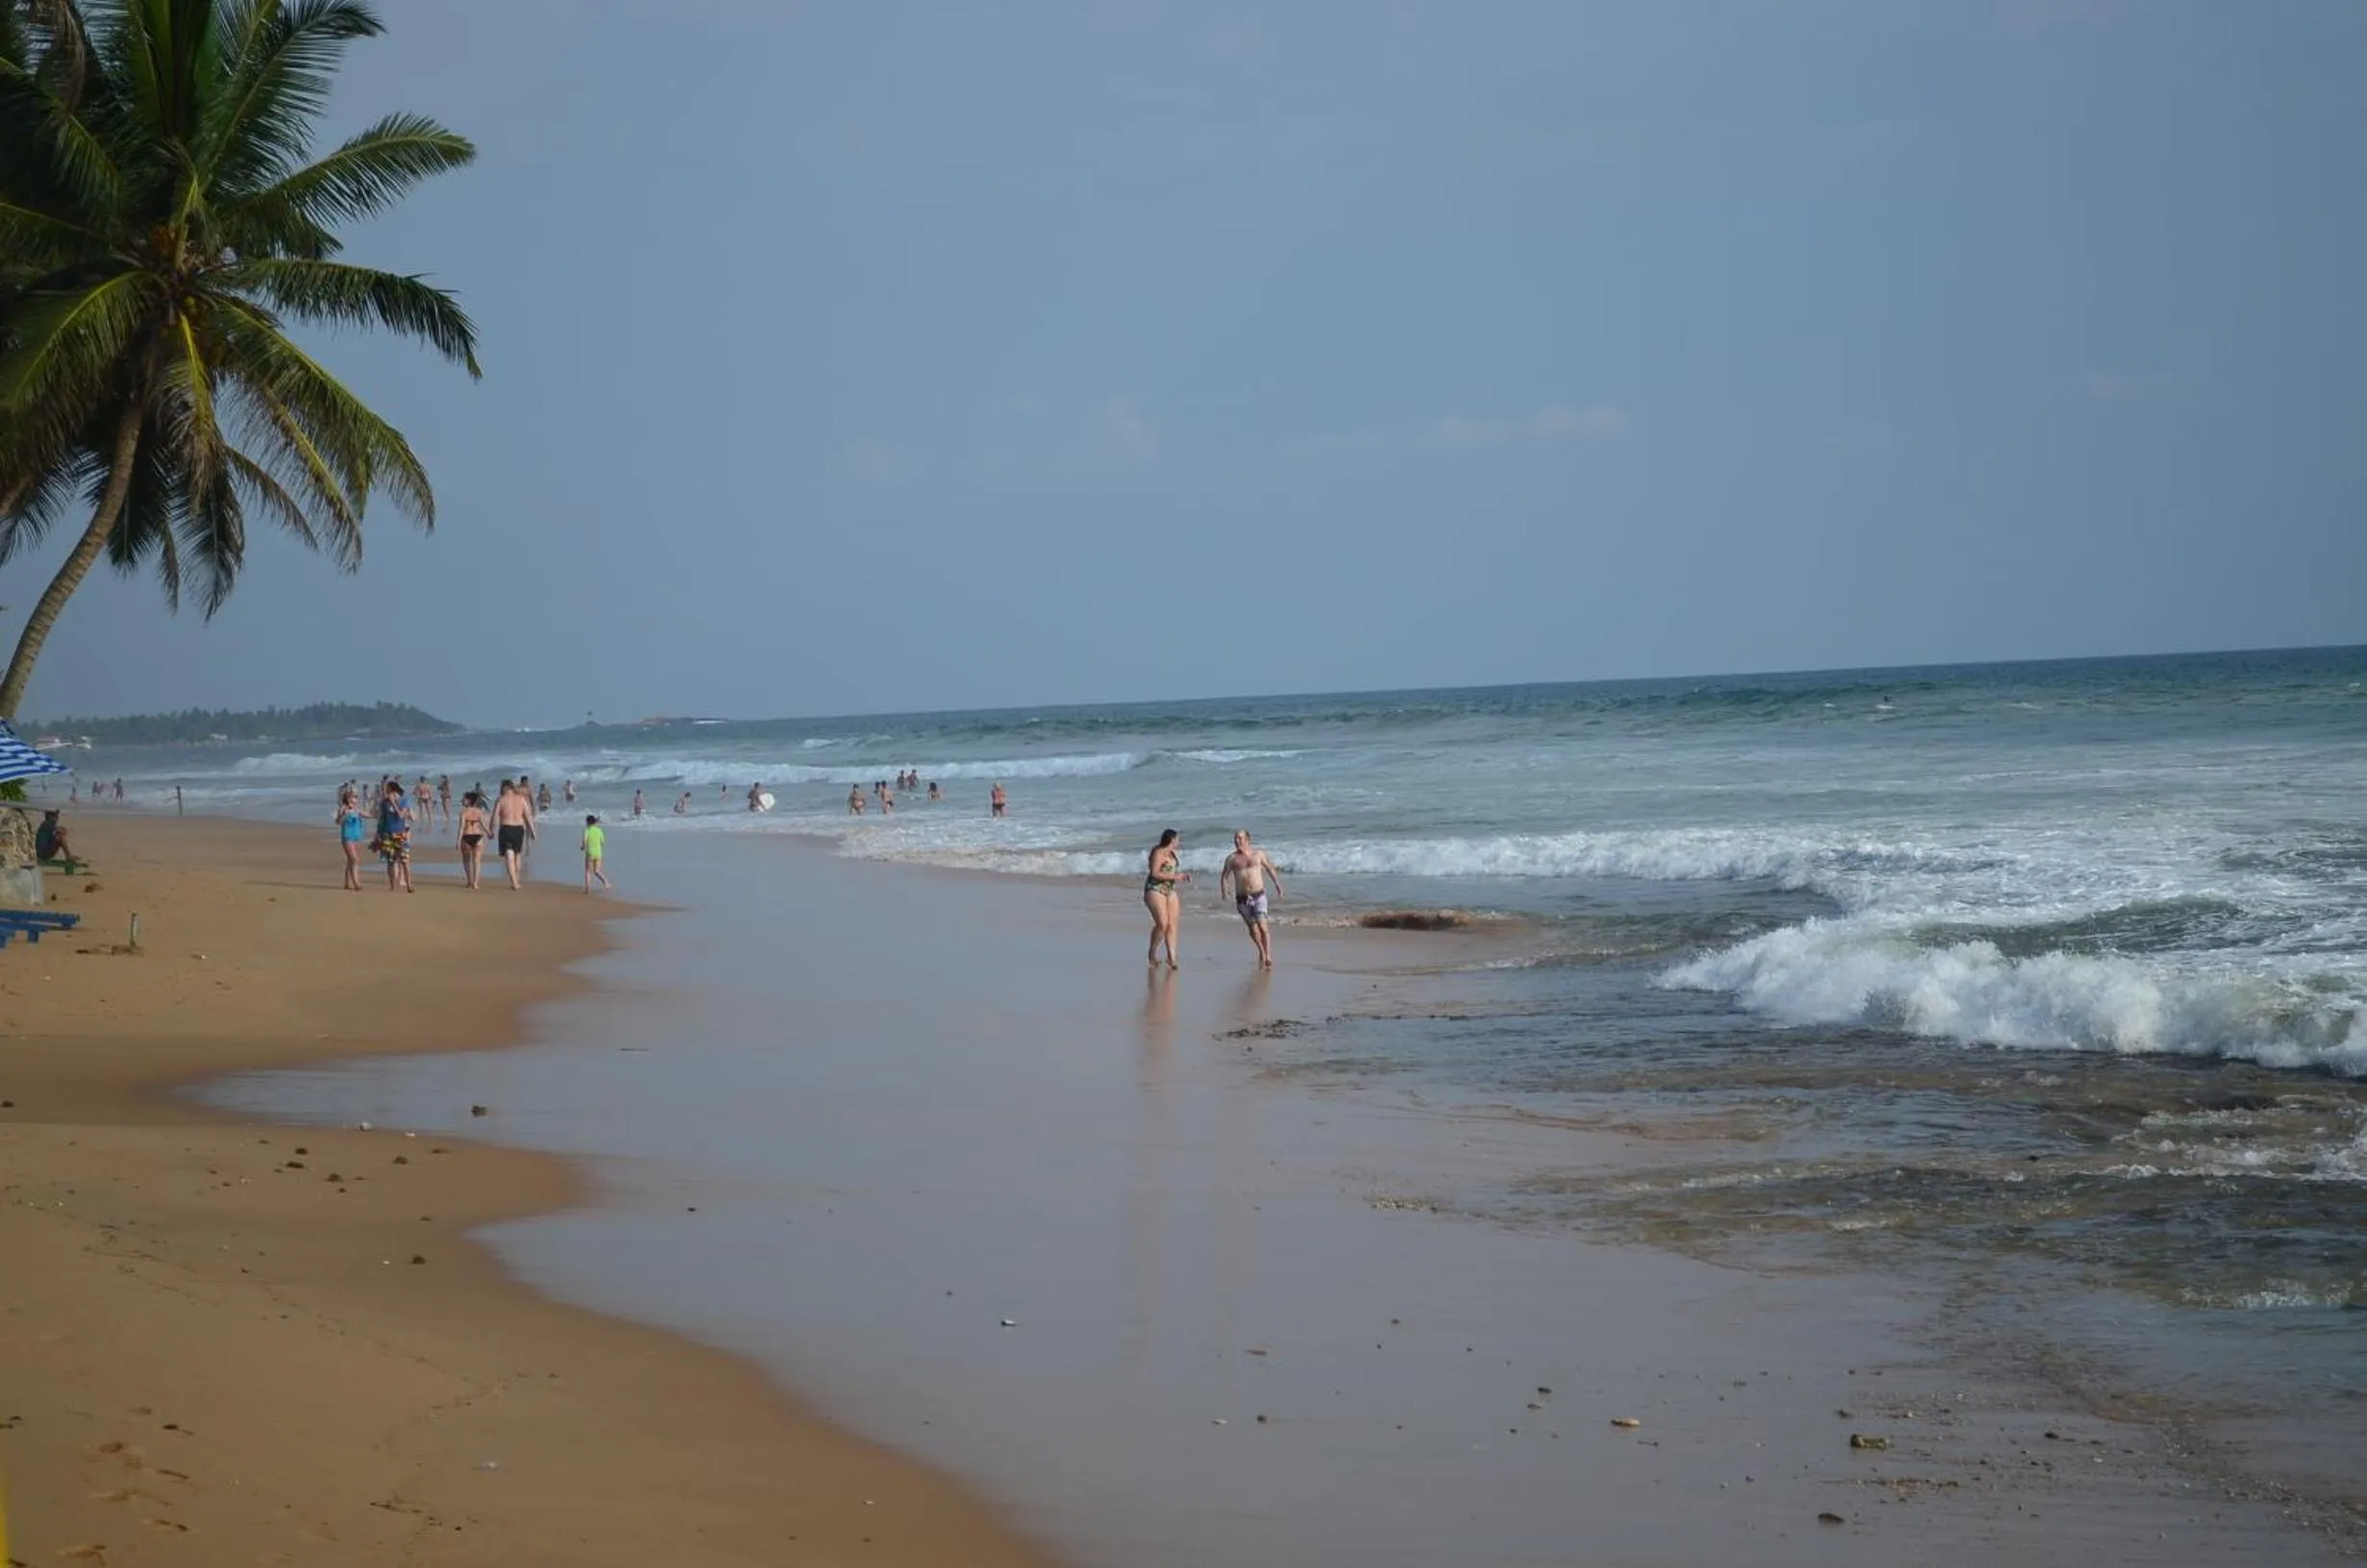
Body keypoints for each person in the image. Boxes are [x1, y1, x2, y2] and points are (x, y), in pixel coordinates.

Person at [1219, 830, 1284, 968]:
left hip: (1259, 895)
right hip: (1242, 899)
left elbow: (1269, 868)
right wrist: (1224, 889)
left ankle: (1268, 955)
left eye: (1240, 838)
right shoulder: (1232, 858)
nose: (1237, 841)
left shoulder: (1258, 854)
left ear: (1248, 839)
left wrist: (1277, 884)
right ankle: (1260, 950)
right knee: (1253, 930)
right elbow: (1224, 876)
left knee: (1263, 926)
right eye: (1235, 838)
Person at [1142, 828, 1189, 968]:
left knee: (1172, 924)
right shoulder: (1158, 852)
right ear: (1172, 840)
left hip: (1170, 889)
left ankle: (1172, 958)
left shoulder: (1172, 854)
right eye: (1177, 839)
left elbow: (1169, 870)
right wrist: (1176, 877)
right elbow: (1155, 873)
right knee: (1162, 923)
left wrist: (1182, 876)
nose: (1179, 842)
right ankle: (1152, 953)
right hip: (1155, 889)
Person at [494, 778, 536, 890]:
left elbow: (494, 817)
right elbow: (528, 816)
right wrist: (533, 831)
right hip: (519, 829)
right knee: (517, 854)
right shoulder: (522, 799)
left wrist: (491, 830)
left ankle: (514, 882)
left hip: (506, 828)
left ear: (503, 788)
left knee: (509, 855)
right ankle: (516, 879)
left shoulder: (501, 800)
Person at [375, 778, 414, 894]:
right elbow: (382, 819)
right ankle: (392, 886)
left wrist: (393, 803)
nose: (386, 793)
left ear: (393, 790)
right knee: (390, 861)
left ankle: (409, 885)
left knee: (405, 860)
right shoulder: (384, 803)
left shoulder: (404, 801)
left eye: (388, 790)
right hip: (387, 834)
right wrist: (377, 833)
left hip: (400, 834)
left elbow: (401, 816)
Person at [456, 789, 491, 890]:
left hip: (466, 836)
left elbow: (461, 828)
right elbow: (484, 825)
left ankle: (469, 881)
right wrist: (489, 833)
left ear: (469, 801)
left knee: (466, 860)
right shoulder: (479, 812)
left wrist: (458, 841)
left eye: (464, 799)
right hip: (478, 836)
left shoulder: (463, 812)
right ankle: (475, 883)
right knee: (477, 861)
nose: (462, 800)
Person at [335, 788, 366, 891]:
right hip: (347, 836)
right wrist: (344, 815)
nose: (356, 799)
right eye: (354, 797)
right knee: (354, 859)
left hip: (357, 837)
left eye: (356, 797)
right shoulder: (343, 808)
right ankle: (356, 883)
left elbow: (368, 815)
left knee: (350, 860)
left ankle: (347, 883)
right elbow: (338, 822)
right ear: (348, 799)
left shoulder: (356, 809)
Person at [582, 814, 611, 894]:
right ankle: (606, 882)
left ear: (588, 823)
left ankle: (587, 888)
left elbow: (584, 840)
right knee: (597, 871)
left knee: (588, 871)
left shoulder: (587, 830)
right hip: (598, 853)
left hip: (590, 853)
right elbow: (603, 842)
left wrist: (583, 847)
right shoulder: (599, 830)